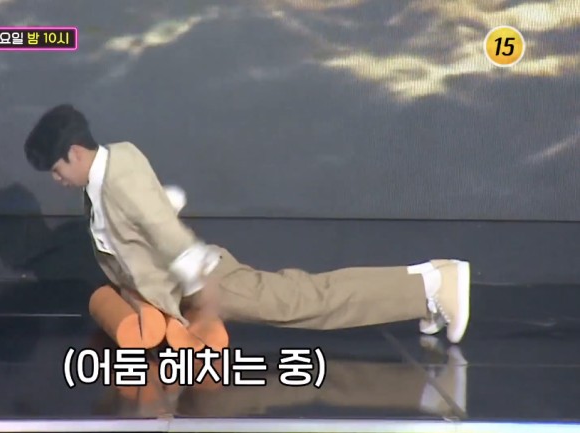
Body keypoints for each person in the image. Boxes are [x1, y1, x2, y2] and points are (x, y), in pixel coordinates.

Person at [23, 104, 471, 343]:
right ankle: (427, 281)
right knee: (304, 297)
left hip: (206, 282)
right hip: (188, 283)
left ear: (75, 153)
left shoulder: (117, 176)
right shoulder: (109, 167)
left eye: (56, 171)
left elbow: (163, 229)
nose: (57, 180)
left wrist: (206, 295)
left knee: (306, 301)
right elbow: (152, 216)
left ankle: (432, 286)